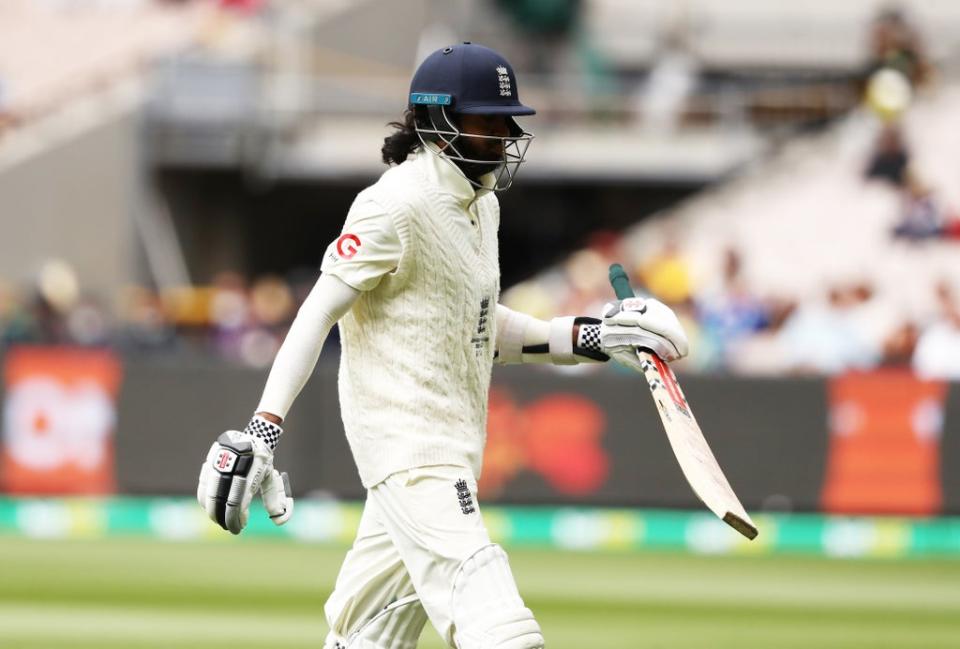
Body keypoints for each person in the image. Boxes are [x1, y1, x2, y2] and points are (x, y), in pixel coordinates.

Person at [196, 43, 688, 649]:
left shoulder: (484, 208)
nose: (505, 135)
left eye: (509, 121)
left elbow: (483, 328)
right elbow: (315, 313)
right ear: (436, 122)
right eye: (488, 120)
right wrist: (263, 432)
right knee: (502, 631)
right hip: (413, 455)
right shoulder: (392, 206)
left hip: (444, 455)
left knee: (364, 638)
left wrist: (597, 336)